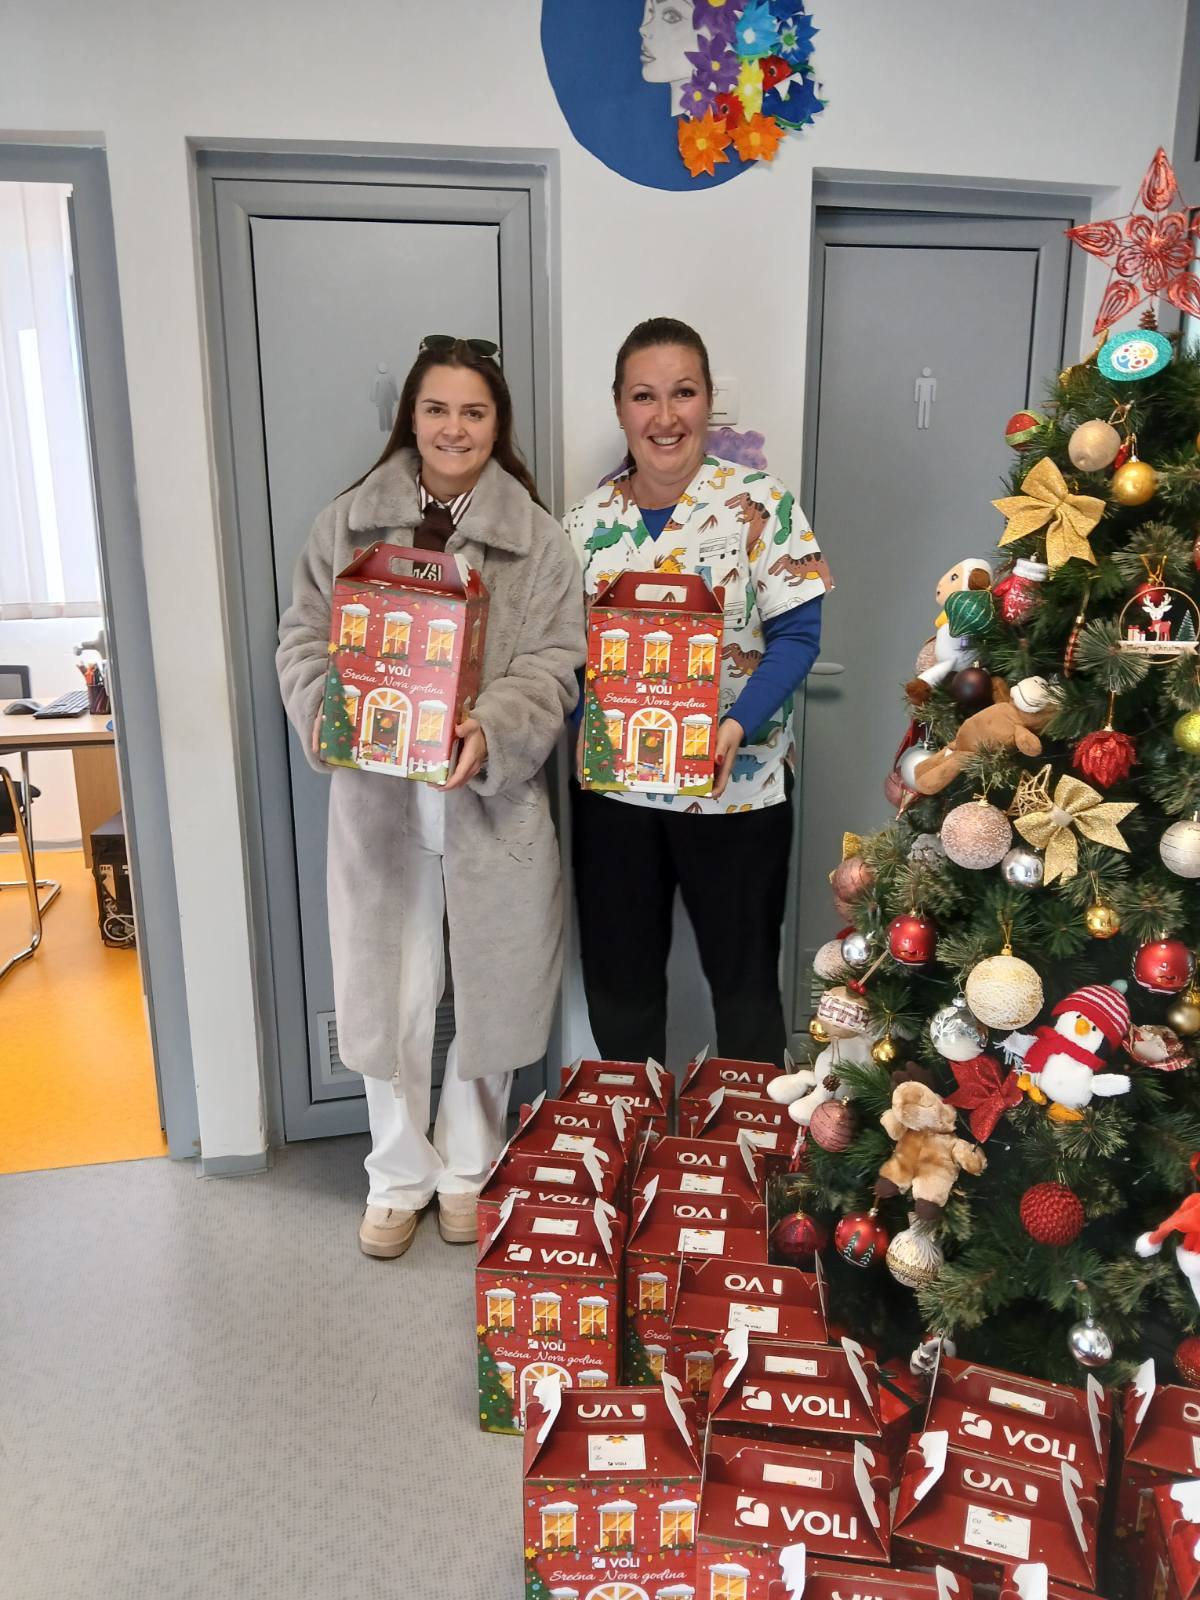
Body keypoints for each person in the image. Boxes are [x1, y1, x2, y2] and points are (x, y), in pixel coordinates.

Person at [278, 337, 584, 1259]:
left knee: (493, 988)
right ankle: (397, 1174)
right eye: (438, 409)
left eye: (474, 412)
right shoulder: (346, 527)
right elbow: (302, 640)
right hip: (380, 805)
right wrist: (334, 713)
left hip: (490, 801)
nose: (455, 428)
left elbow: (556, 664)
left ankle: (470, 1167)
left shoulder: (539, 541)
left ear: (498, 425)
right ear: (411, 417)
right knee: (393, 992)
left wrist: (492, 728)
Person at [565, 317, 831, 1067]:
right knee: (619, 987)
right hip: (616, 796)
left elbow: (798, 636)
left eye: (683, 393)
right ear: (620, 406)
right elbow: (563, 654)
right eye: (644, 396)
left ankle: (746, 1131)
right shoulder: (584, 524)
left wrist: (736, 725)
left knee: (745, 990)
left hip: (736, 792)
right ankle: (634, 1121)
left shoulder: (761, 505)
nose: (665, 415)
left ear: (709, 400)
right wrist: (583, 724)